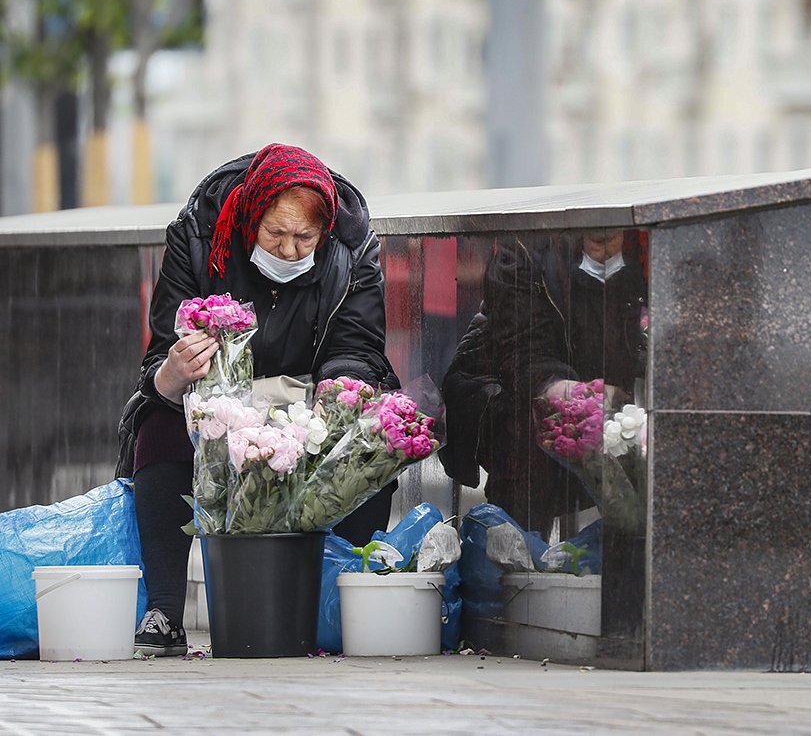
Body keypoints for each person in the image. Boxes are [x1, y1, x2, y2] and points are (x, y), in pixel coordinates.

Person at [123, 143, 399, 656]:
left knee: (366, 439)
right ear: (250, 220)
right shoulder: (201, 234)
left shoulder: (355, 246)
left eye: (305, 238)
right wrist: (175, 372)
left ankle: (344, 596)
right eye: (276, 235)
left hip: (307, 396)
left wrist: (337, 400)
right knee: (159, 428)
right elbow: (160, 353)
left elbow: (358, 345)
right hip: (217, 399)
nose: (291, 251)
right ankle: (163, 607)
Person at [441, 229, 647, 538]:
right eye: (596, 239)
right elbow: (521, 348)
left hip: (620, 408)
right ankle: (517, 561)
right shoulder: (524, 251)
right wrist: (562, 390)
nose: (603, 246)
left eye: (612, 239)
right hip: (520, 394)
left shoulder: (649, 253)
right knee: (527, 434)